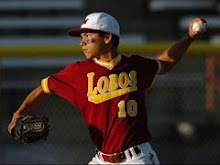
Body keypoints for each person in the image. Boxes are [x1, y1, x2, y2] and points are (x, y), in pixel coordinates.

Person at [8, 12, 207, 164]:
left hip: (137, 158)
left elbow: (166, 62)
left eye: (88, 37)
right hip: (102, 159)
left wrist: (189, 36)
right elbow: (44, 87)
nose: (82, 43)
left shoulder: (134, 66)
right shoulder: (77, 72)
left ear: (107, 38)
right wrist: (20, 112)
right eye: (81, 38)